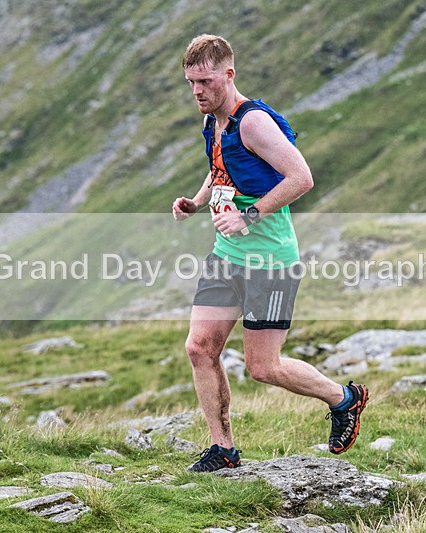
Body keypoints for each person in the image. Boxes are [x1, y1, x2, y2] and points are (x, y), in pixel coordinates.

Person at [171, 34, 368, 472]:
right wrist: (198, 202)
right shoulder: (213, 122)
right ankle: (222, 449)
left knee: (264, 367)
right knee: (200, 348)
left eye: (204, 81)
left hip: (270, 261)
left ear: (229, 75)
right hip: (227, 257)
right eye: (190, 82)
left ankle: (344, 399)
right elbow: (218, 166)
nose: (197, 91)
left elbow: (302, 177)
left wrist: (249, 215)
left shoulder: (254, 123)